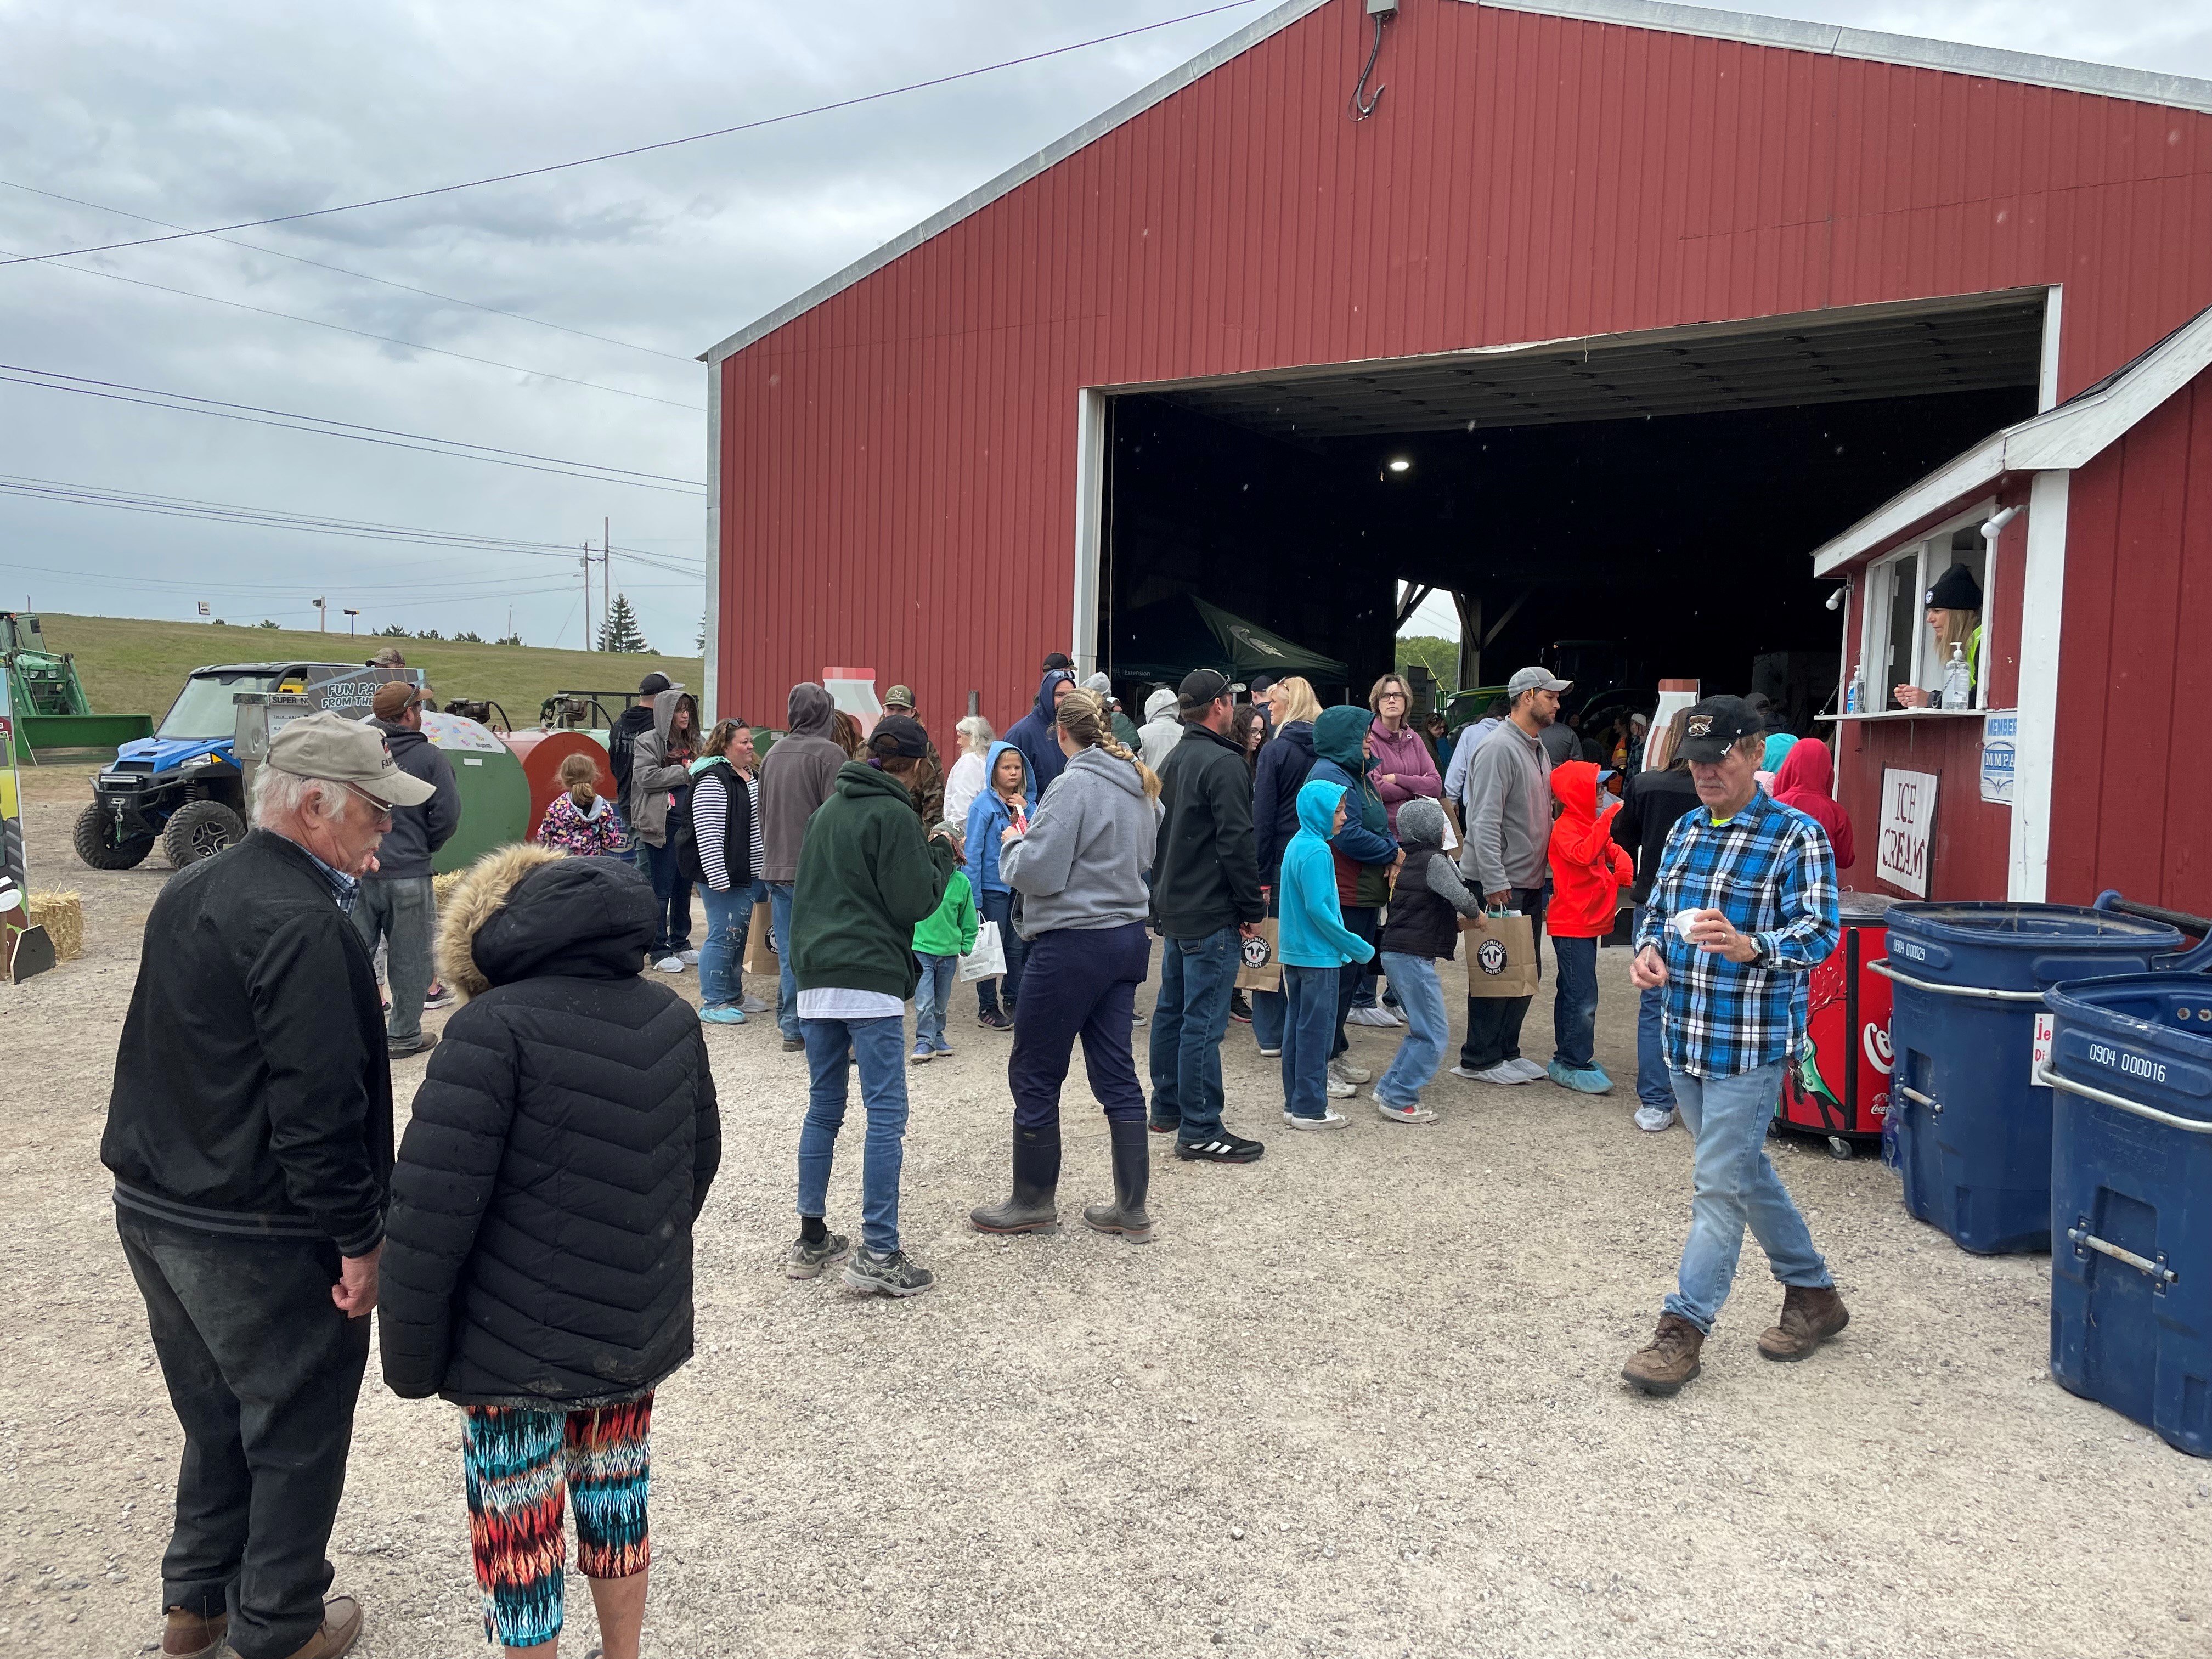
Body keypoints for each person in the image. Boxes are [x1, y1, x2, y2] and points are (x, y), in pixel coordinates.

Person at [103, 711, 435, 1659]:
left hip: (160, 1203)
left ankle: (196, 1601)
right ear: (317, 804)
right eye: (376, 811)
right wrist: (361, 1239)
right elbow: (321, 1112)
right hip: (255, 1224)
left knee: (212, 1412)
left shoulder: (199, 885)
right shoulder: (304, 924)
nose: (387, 828)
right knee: (295, 1418)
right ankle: (281, 1620)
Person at [377, 847, 719, 1659]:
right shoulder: (671, 1016)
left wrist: (411, 1357)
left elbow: (429, 1208)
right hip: (630, 1326)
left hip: (510, 1343)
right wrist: (638, 1252)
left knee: (518, 1530)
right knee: (617, 1502)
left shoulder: (490, 1029)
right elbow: (696, 1161)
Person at [1622, 695, 1845, 1396]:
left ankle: (1682, 1331)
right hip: (1683, 1037)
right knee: (1743, 1173)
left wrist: (1753, 948)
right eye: (1696, 761)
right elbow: (1653, 910)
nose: (1706, 773)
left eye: (1719, 758)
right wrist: (1647, 951)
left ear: (1755, 752)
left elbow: (1821, 932)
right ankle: (1814, 1295)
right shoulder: (1687, 828)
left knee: (1717, 1186)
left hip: (1749, 1045)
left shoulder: (1796, 837)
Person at [970, 688, 1161, 1235]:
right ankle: (1131, 1208)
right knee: (1116, 1070)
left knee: (1035, 1069)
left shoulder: (1073, 784)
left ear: (1060, 733)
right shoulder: (1141, 784)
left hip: (1073, 942)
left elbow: (1040, 873)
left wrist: (1012, 842)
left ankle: (1032, 1200)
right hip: (1126, 936)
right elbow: (1143, 856)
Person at [787, 715, 959, 1296]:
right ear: (914, 768)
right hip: (868, 977)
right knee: (885, 1115)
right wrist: (941, 854)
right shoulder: (896, 816)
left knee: (824, 1107)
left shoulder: (825, 812)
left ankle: (811, 1238)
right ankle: (880, 1251)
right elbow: (914, 901)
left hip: (815, 976)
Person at [1146, 668, 1268, 1163]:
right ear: (1220, 706)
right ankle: (1199, 1127)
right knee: (1202, 1021)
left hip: (1175, 903)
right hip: (1211, 909)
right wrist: (1251, 907)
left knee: (1172, 1011)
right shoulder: (1225, 763)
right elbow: (1237, 842)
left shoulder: (1174, 759)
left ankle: (1168, 1106)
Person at [1452, 666, 1567, 1086]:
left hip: (1529, 878)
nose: (1557, 703)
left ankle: (1506, 1050)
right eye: (1551, 696)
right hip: (1502, 881)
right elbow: (1483, 820)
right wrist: (1495, 879)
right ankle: (1478, 1057)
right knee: (1496, 967)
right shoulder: (1498, 747)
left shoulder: (1537, 747)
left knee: (1523, 967)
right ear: (1528, 696)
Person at [1370, 797, 1487, 1123]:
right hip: (1412, 957)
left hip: (1398, 952)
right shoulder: (1435, 860)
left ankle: (1389, 1085)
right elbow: (1460, 896)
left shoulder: (1410, 861)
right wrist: (1478, 915)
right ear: (1435, 829)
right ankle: (1400, 1097)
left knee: (1421, 1029)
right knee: (1435, 1033)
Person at [360, 680, 459, 1058]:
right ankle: (402, 1037)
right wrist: (425, 846)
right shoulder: (430, 759)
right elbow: (447, 815)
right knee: (412, 958)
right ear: (408, 715)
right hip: (410, 874)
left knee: (352, 954)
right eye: (418, 708)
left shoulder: (360, 754)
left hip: (361, 871)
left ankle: (349, 1036)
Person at [1614, 709, 1701, 1131]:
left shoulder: (1646, 784)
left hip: (1653, 900)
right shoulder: (1719, 791)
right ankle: (1701, 1097)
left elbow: (1622, 835)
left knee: (1653, 1002)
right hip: (1707, 907)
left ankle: (1656, 1100)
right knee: (1706, 999)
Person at [1276, 777, 1379, 1130]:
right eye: (1338, 810)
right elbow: (1320, 910)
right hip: (1319, 957)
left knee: (1297, 1029)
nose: (1345, 816)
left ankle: (1296, 1103)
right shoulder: (1318, 850)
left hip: (1295, 954)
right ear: (1319, 812)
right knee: (1316, 1034)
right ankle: (1310, 1109)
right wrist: (1357, 947)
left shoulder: (1297, 844)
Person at [1307, 705, 1402, 1079]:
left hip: (1363, 891)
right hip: (1344, 893)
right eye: (1364, 734)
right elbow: (1347, 835)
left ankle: (1333, 1052)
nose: (1370, 740)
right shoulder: (1333, 775)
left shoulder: (1356, 772)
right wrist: (1394, 852)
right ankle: (1321, 1062)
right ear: (1344, 737)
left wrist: (1392, 848)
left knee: (1349, 980)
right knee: (1335, 982)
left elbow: (1380, 822)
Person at [759, 685, 848, 1053]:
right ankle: (822, 1028)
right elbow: (839, 817)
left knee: (789, 951)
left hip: (776, 865)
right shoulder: (830, 755)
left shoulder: (772, 754)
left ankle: (791, 1027)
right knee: (826, 951)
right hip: (817, 870)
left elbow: (762, 812)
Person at [1546, 759, 1635, 1094]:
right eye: (1596, 787)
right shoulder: (1566, 826)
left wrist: (1622, 861)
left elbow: (1609, 848)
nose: (1603, 792)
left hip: (1585, 921)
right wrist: (1610, 819)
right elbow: (1584, 854)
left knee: (1576, 991)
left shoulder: (1586, 821)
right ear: (1577, 793)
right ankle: (1571, 1060)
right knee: (1581, 997)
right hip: (1572, 922)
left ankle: (1572, 1054)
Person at [1248, 675, 1322, 1058]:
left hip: (1279, 858)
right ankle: (1308, 1029)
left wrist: (1259, 873)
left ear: (1289, 706)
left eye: (1274, 703)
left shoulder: (1275, 752)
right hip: (1319, 858)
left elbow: (1262, 817)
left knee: (1269, 944)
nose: (1269, 709)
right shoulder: (1327, 751)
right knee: (1312, 948)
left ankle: (1271, 1033)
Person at [681, 719, 760, 1026]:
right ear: (725, 746)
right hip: (726, 877)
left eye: (751, 740)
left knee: (739, 938)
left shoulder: (749, 775)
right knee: (723, 936)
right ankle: (714, 1002)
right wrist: (718, 877)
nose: (751, 746)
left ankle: (733, 995)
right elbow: (708, 831)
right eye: (744, 742)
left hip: (750, 873)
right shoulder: (713, 779)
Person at [625, 684, 698, 974]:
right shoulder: (647, 741)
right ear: (667, 712)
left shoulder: (696, 741)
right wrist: (685, 772)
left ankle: (681, 942)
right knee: (661, 888)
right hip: (661, 825)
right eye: (680, 710)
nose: (685, 715)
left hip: (688, 825)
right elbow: (646, 777)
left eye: (688, 710)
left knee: (684, 886)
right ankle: (658, 948)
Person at [964, 739, 1035, 1030]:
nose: (1013, 773)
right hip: (992, 889)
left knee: (1015, 946)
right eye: (1006, 767)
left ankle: (1013, 998)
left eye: (1017, 767)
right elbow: (973, 854)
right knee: (988, 949)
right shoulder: (983, 806)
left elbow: (1040, 836)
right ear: (993, 771)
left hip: (1017, 887)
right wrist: (975, 897)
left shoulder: (1028, 804)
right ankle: (987, 1006)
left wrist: (1027, 809)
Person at [910, 820, 977, 1063]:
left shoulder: (962, 884)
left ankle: (937, 1036)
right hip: (921, 950)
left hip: (948, 953)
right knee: (924, 1000)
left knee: (940, 1001)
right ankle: (924, 1041)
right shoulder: (920, 876)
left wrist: (967, 943)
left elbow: (968, 918)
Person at [1894, 563, 1984, 708]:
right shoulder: (1968, 642)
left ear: (1958, 615)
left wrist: (1930, 699)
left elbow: (1983, 698)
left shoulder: (1984, 640)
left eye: (1937, 611)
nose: (1929, 619)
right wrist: (1924, 698)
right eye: (1929, 612)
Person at [1365, 673, 1442, 831]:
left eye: (1398, 695)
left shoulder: (1415, 739)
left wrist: (1396, 778)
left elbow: (1436, 786)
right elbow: (1376, 789)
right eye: (1385, 696)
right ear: (1377, 702)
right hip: (1386, 833)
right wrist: (1416, 790)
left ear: (1406, 701)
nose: (1392, 700)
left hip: (1419, 831)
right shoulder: (1369, 739)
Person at [1770, 738, 1855, 871]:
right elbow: (1845, 860)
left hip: (1777, 886)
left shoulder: (1773, 806)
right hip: (1820, 887)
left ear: (1790, 765)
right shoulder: (1837, 813)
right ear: (1828, 769)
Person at [535, 751, 627, 857]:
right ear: (593, 777)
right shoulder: (604, 807)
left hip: (562, 867)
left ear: (564, 779)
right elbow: (611, 842)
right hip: (593, 867)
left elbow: (543, 838)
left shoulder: (556, 808)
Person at [606, 671, 672, 816]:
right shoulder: (659, 728)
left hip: (625, 803)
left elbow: (613, 765)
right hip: (651, 809)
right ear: (663, 697)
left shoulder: (619, 724)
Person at [1006, 665, 1078, 795]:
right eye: (1059, 695)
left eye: (1071, 696)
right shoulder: (1021, 734)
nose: (1066, 701)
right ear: (1046, 696)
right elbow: (1005, 786)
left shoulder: (1078, 731)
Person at [1444, 696, 1511, 816]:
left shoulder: (1471, 732)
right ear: (1510, 715)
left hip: (1474, 806)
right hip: (1507, 808)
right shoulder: (1514, 735)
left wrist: (1452, 799)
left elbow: (1457, 768)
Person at [943, 714, 995, 830]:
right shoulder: (990, 760)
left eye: (961, 737)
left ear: (973, 737)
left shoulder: (969, 761)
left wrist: (952, 829)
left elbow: (963, 802)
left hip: (966, 832)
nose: (958, 742)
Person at [1137, 686, 1182, 772]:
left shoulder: (1142, 733)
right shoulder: (1185, 732)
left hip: (1150, 784)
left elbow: (1137, 765)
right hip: (1179, 784)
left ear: (1150, 707)